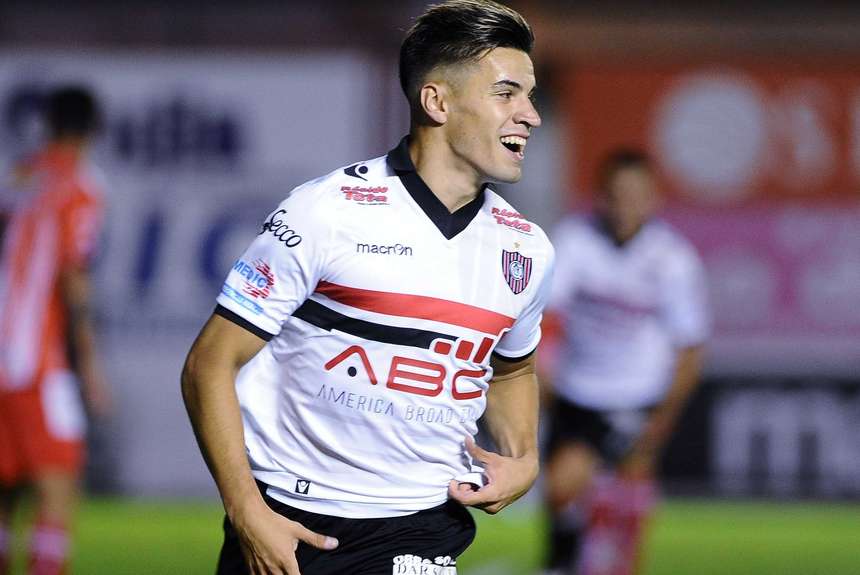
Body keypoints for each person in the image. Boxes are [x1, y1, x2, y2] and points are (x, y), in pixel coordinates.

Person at [181, 1, 554, 574]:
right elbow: (209, 364)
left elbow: (514, 369)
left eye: (529, 96)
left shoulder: (526, 250)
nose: (529, 115)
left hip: (422, 526)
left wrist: (524, 458)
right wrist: (246, 511)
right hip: (291, 523)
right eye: (507, 94)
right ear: (437, 101)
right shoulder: (326, 213)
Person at [540, 149, 709, 575]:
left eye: (636, 195)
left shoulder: (672, 259)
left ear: (654, 199)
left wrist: (663, 417)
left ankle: (600, 563)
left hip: (635, 393)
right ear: (601, 196)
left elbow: (689, 347)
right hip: (577, 388)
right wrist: (540, 374)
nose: (625, 205)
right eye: (617, 194)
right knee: (559, 491)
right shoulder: (575, 240)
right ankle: (570, 560)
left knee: (607, 485)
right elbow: (545, 315)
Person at [0, 85, 110, 575]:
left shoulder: (19, 176)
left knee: (5, 490)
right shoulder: (82, 186)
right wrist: (89, 366)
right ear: (92, 130)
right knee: (58, 484)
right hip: (36, 359)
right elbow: (73, 276)